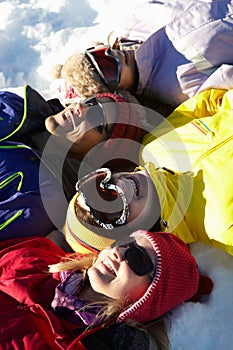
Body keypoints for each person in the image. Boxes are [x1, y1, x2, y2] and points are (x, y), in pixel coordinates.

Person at [63, 87, 233, 257]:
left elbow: (206, 102)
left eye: (100, 185)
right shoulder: (222, 227)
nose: (119, 185)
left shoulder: (151, 147)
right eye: (110, 207)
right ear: (131, 237)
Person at [0, 229, 213, 349]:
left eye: (138, 259)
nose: (118, 253)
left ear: (148, 300)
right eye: (124, 243)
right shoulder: (36, 258)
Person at [59, 0, 233, 112]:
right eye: (108, 67)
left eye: (99, 53)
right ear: (118, 92)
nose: (115, 55)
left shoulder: (132, 23)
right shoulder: (177, 87)